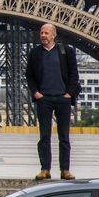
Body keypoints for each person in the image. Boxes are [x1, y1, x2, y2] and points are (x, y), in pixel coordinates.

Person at [25, 23, 80, 180]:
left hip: (62, 98)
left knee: (64, 136)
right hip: (44, 99)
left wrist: (69, 93)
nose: (43, 35)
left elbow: (74, 73)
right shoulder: (35, 53)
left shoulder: (66, 51)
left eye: (46, 33)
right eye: (41, 33)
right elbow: (29, 75)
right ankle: (45, 169)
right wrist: (36, 93)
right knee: (44, 136)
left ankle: (65, 169)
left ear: (53, 35)